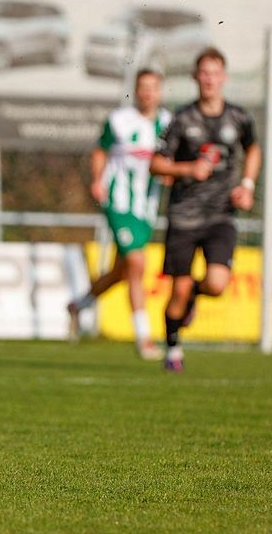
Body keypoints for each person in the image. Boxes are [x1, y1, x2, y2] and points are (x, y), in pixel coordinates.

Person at [150, 47, 261, 371]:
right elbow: (157, 164)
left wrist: (248, 185)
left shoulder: (239, 117)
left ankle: (195, 298)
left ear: (224, 77)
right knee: (178, 292)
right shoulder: (181, 119)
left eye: (215, 73)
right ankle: (172, 350)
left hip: (220, 216)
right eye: (204, 73)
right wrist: (188, 170)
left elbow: (253, 148)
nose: (209, 79)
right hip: (184, 216)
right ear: (195, 77)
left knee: (216, 283)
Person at [67, 69, 170, 361]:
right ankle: (144, 339)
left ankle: (77, 305)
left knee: (120, 272)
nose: (148, 93)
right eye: (143, 87)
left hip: (146, 207)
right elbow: (100, 151)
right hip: (118, 202)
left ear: (160, 92)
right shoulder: (119, 120)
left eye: (153, 88)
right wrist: (97, 179)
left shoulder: (168, 124)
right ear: (136, 90)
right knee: (137, 263)